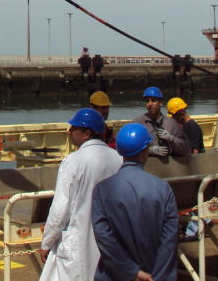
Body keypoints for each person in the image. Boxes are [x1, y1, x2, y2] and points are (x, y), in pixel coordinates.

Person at [39, 108, 122, 281]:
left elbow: (60, 208)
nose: (70, 132)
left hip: (79, 241)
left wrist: (46, 242)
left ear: (86, 133)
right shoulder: (118, 159)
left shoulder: (73, 161)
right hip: (111, 240)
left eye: (74, 128)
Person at [91, 123, 178, 281]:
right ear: (145, 150)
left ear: (119, 151)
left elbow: (105, 239)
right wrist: (157, 276)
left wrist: (132, 272)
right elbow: (169, 239)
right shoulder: (163, 188)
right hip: (155, 272)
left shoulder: (101, 190)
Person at [133, 87, 190, 157]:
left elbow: (186, 149)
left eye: (153, 100)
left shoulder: (171, 123)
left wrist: (171, 139)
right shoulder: (138, 123)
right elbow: (129, 148)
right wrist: (150, 150)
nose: (150, 104)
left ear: (161, 103)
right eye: (147, 101)